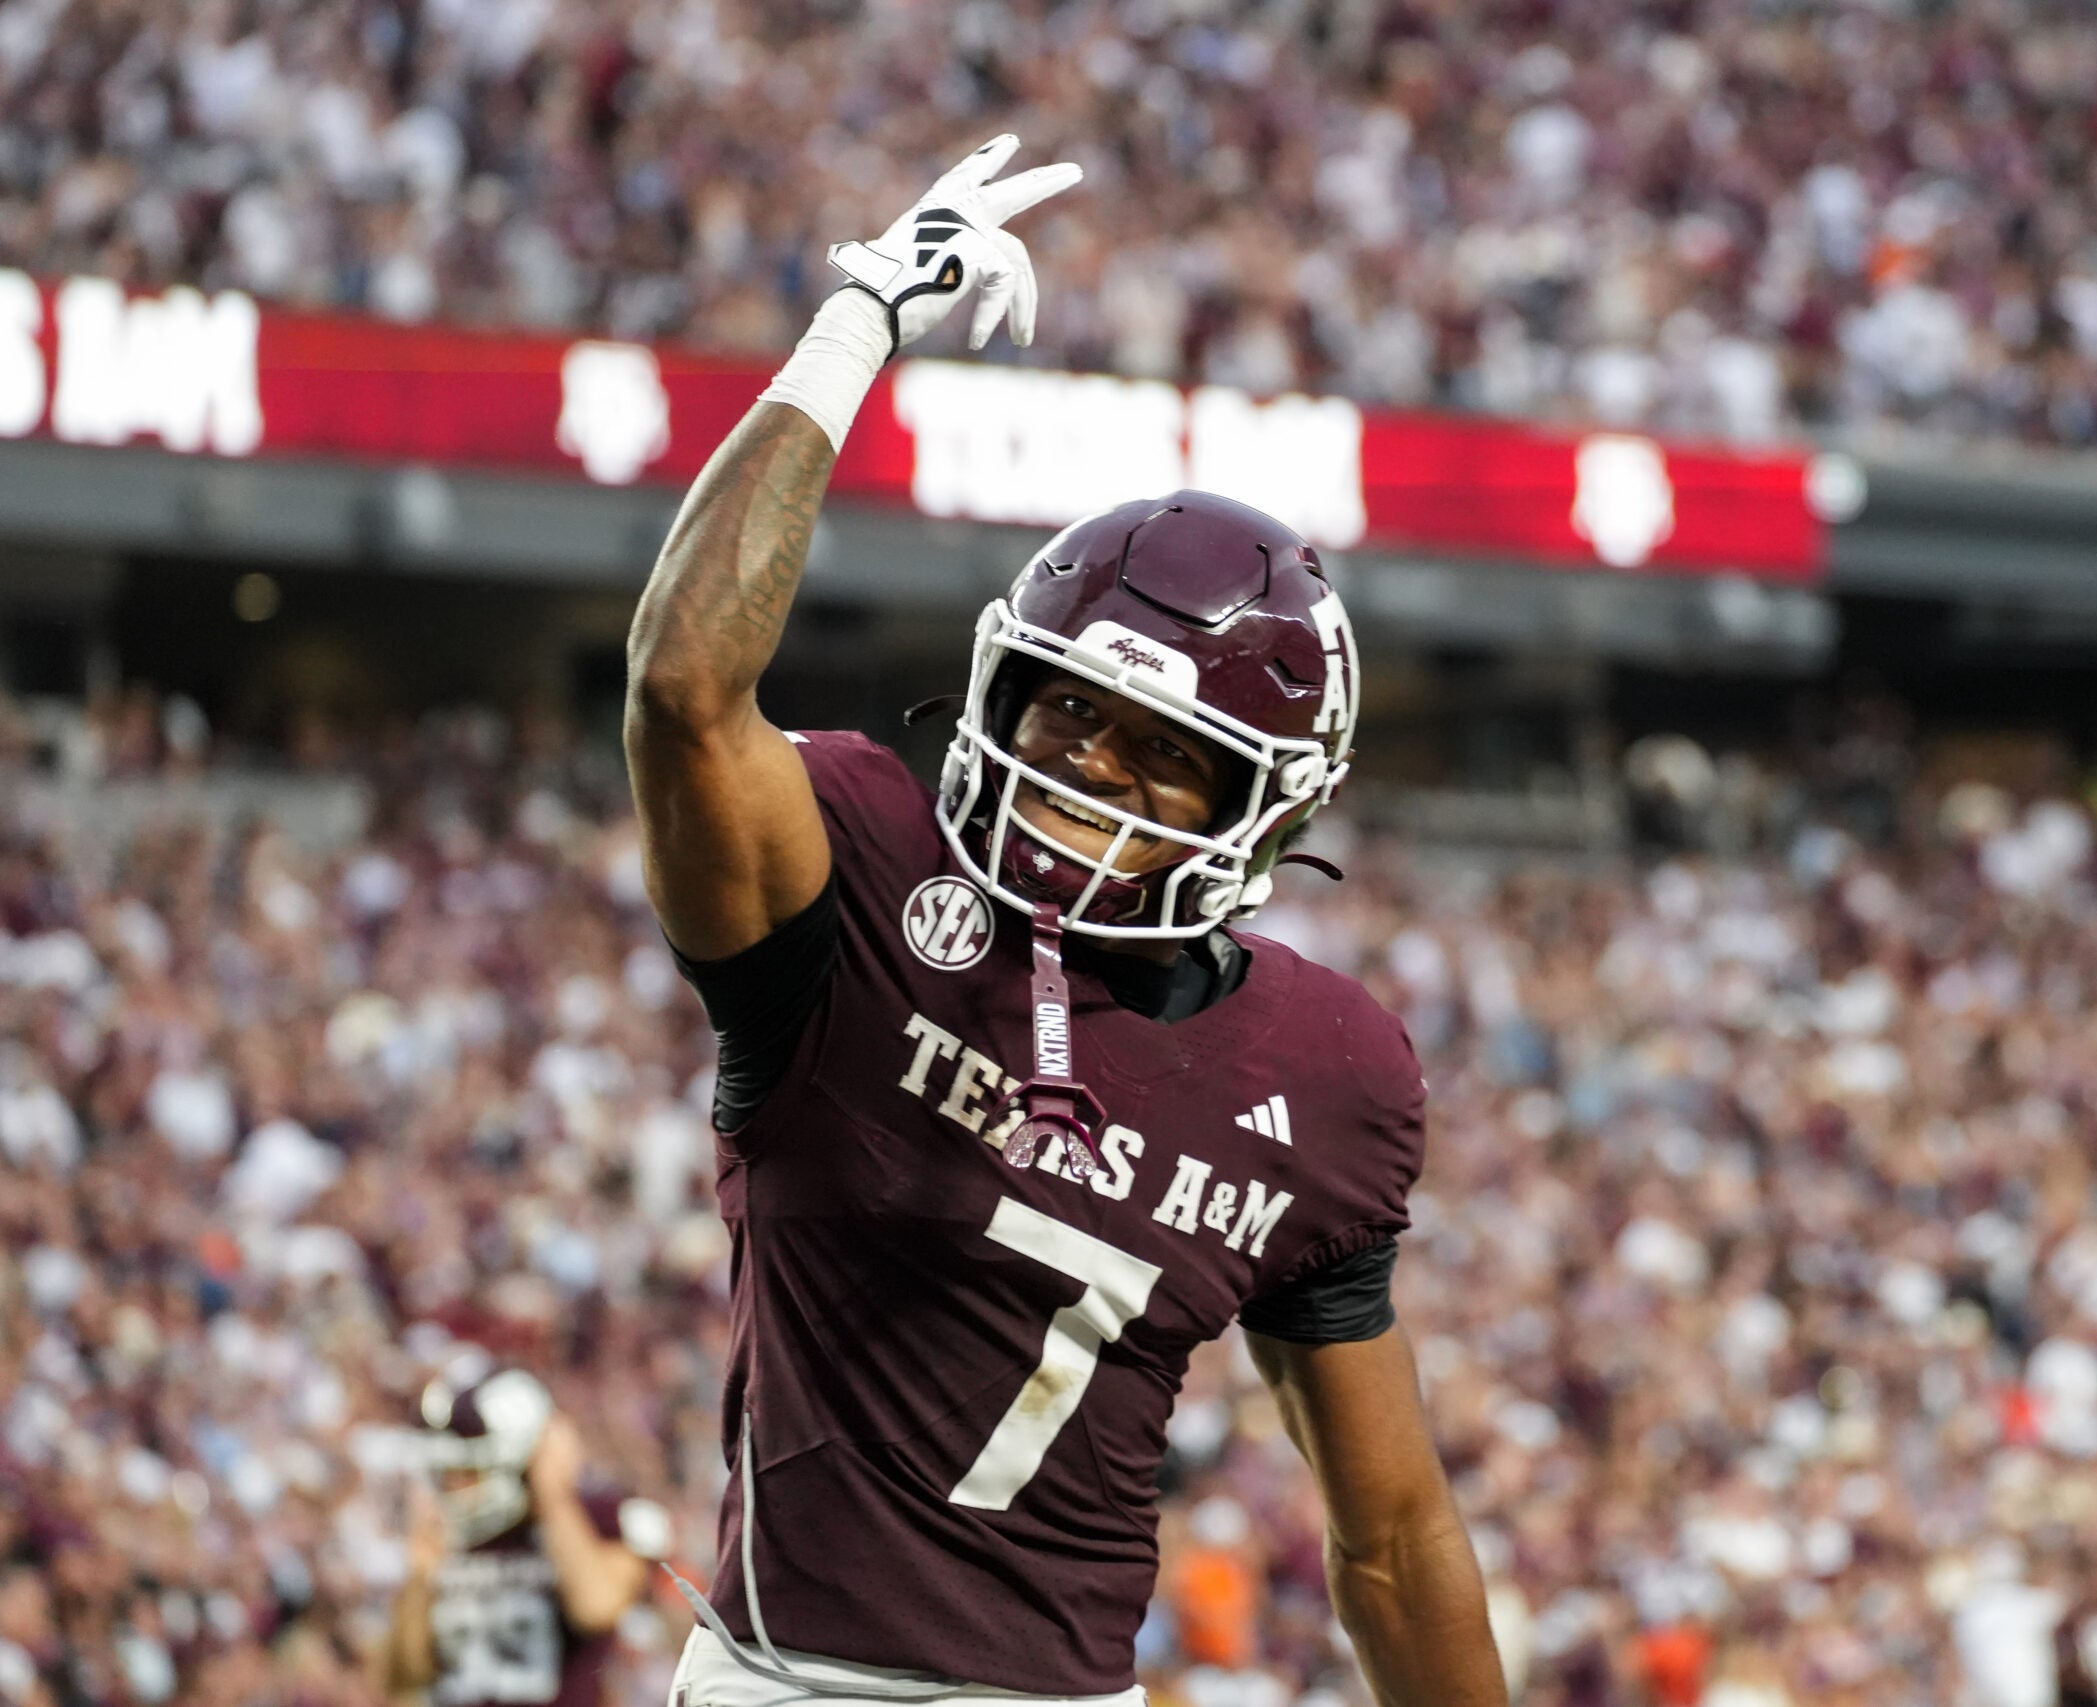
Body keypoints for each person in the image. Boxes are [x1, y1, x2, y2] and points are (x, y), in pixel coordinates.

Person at [621, 136, 1505, 1707]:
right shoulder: (860, 876)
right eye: (1072, 710)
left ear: (1267, 810)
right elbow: (686, 692)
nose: (1092, 767)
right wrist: (856, 324)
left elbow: (1391, 1530)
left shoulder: (1331, 1069)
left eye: (1167, 753)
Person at [379, 1367, 672, 1707]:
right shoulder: (441, 1538)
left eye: (468, 1471)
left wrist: (554, 1500)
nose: (453, 1487)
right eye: (445, 1474)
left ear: (523, 1459)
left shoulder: (596, 1517)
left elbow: (596, 1608)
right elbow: (403, 1678)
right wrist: (419, 1581)